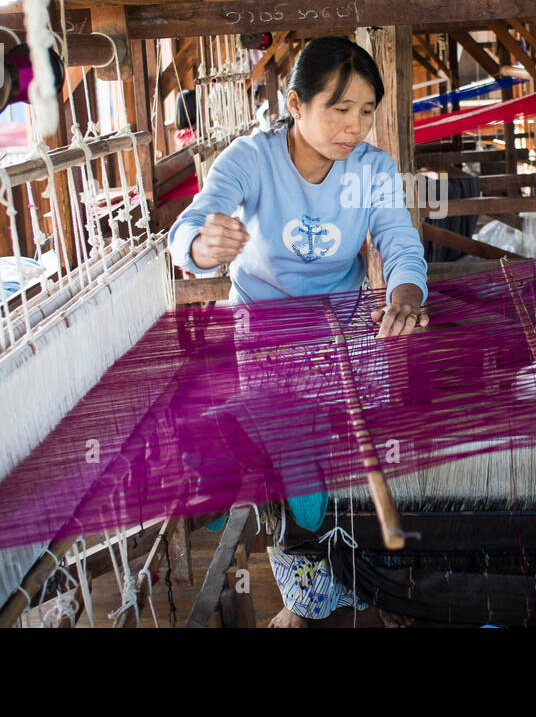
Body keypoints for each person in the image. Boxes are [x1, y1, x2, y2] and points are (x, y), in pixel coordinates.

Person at [167, 35, 430, 626]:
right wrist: (201, 245)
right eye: (339, 109)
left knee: (354, 454)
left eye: (366, 111)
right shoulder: (250, 160)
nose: (355, 126)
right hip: (266, 333)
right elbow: (188, 230)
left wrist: (407, 294)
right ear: (295, 102)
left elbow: (400, 243)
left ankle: (367, 586)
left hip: (342, 330)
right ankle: (306, 597)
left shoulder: (371, 168)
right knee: (297, 469)